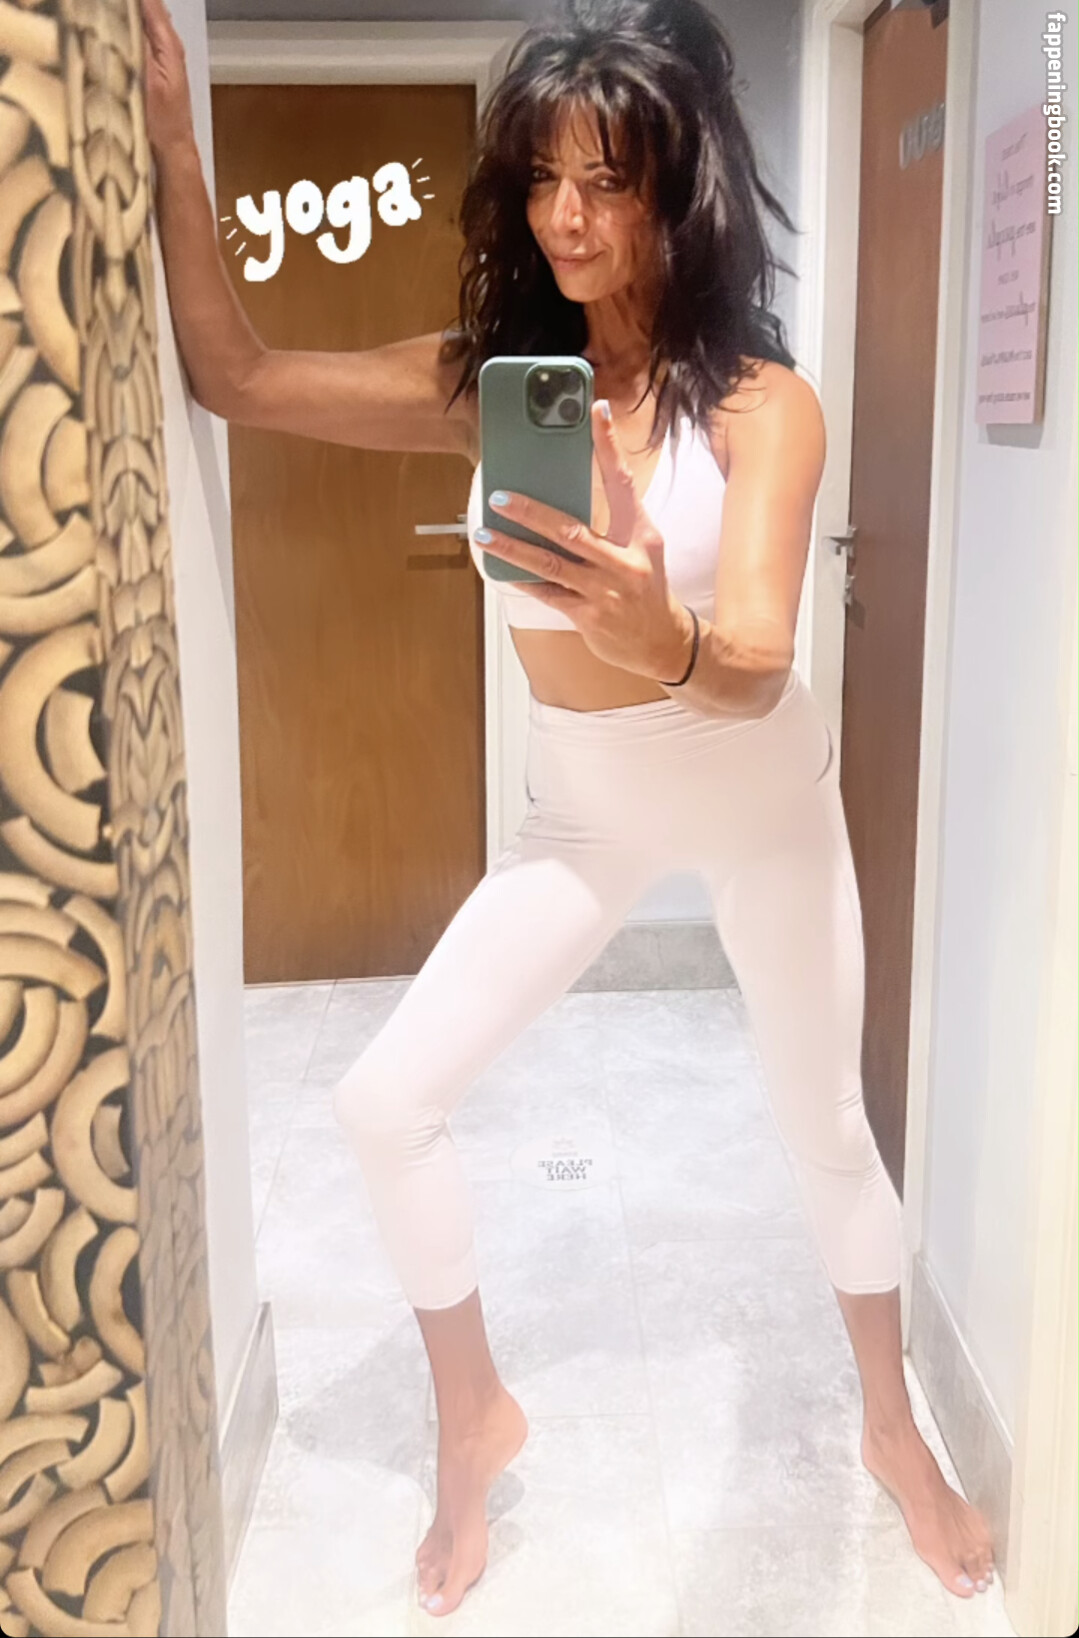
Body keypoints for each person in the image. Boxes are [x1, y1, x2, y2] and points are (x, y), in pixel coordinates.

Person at [141, 0, 996, 1620]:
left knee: (824, 1126)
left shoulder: (763, 406)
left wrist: (654, 628)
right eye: (541, 178)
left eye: (606, 180)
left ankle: (893, 1425)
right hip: (579, 813)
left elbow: (755, 659)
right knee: (384, 1100)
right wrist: (181, 148)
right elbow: (235, 374)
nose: (566, 218)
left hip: (760, 798)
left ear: (682, 185)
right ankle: (473, 1413)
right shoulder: (493, 389)